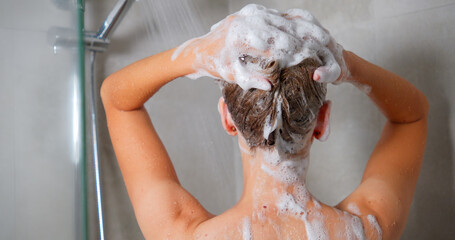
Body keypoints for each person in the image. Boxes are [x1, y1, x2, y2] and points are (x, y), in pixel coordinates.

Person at [101, 5, 428, 240]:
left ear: (228, 119)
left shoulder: (179, 232)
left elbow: (117, 99)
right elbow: (412, 115)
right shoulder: (368, 228)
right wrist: (345, 63)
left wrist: (197, 53)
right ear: (322, 121)